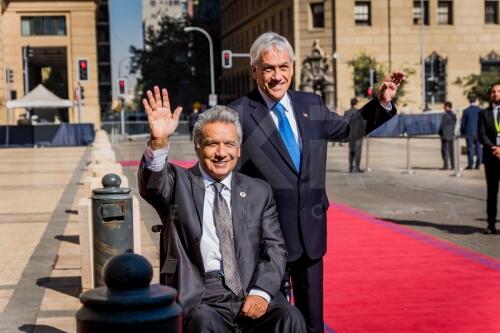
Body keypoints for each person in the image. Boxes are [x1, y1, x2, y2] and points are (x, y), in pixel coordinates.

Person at [228, 32, 406, 333]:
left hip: (310, 232)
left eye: (283, 67)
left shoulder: (310, 103)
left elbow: (349, 129)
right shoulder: (239, 112)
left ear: (293, 68)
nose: (277, 76)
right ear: (255, 70)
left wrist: (381, 102)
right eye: (269, 68)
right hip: (264, 237)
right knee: (269, 317)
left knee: (312, 320)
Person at [138, 91, 306, 332]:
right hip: (202, 294)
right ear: (197, 148)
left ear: (238, 150)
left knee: (290, 318)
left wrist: (261, 293)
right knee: (203, 323)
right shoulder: (178, 183)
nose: (221, 153)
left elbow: (275, 248)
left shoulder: (259, 191)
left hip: (250, 285)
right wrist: (159, 141)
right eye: (212, 144)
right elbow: (151, 185)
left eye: (229, 144)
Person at [478, 82, 500, 235]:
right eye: (493, 91)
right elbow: (481, 134)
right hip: (491, 158)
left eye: (498, 91)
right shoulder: (484, 113)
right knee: (491, 193)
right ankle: (491, 224)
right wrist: (495, 148)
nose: (495, 94)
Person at [460, 94, 482, 169]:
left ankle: (470, 164)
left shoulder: (466, 111)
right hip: (478, 133)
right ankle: (478, 164)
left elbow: (463, 123)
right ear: (476, 100)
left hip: (469, 133)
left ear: (469, 101)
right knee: (478, 148)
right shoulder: (480, 110)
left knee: (470, 148)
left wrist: (462, 132)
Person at [344, 97, 364, 173]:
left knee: (351, 151)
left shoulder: (347, 112)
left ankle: (350, 167)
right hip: (358, 135)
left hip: (350, 135)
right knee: (358, 151)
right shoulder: (359, 112)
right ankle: (357, 167)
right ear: (356, 103)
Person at [439, 101, 457, 170]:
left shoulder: (445, 115)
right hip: (451, 134)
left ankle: (446, 165)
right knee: (451, 151)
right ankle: (453, 165)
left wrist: (440, 132)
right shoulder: (454, 115)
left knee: (445, 151)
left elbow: (442, 126)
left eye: (444, 107)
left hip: (444, 135)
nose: (444, 108)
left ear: (447, 107)